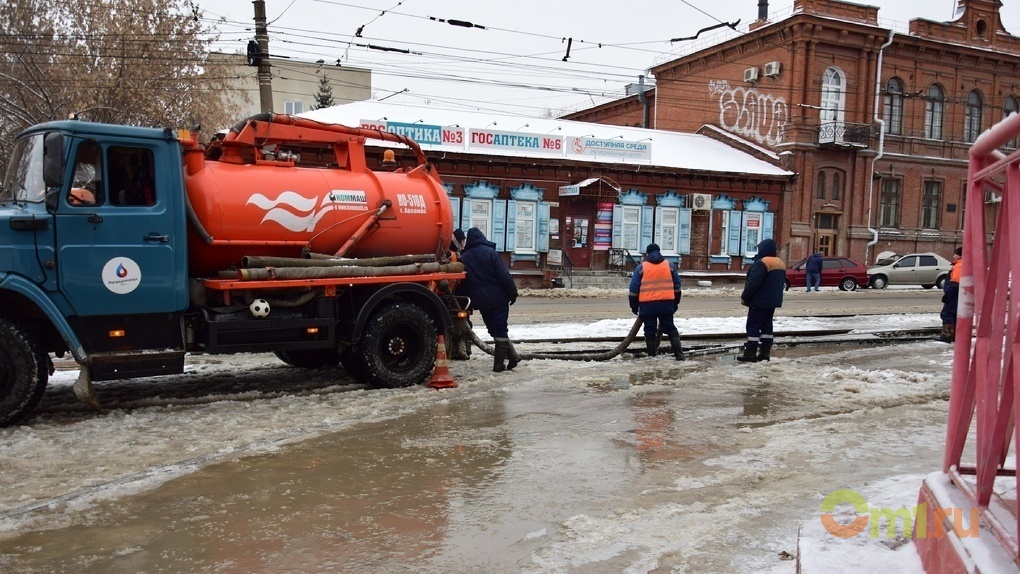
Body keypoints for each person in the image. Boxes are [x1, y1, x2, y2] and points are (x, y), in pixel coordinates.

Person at [459, 227, 520, 372]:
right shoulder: (491, 253)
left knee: (493, 329)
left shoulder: (465, 257)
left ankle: (512, 356)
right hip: (499, 299)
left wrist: (465, 304)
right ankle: (499, 364)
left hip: (482, 302)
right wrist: (513, 294)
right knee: (499, 329)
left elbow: (463, 283)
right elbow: (504, 275)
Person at [628, 243, 684, 360]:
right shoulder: (670, 266)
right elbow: (677, 287)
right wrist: (675, 303)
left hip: (648, 305)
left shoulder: (641, 268)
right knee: (670, 328)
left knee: (650, 331)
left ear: (647, 254)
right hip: (667, 304)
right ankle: (679, 355)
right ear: (659, 252)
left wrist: (634, 307)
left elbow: (634, 289)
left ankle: (652, 356)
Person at [738, 238, 786, 362]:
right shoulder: (780, 262)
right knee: (767, 327)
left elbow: (753, 283)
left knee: (753, 326)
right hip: (773, 302)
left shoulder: (762, 263)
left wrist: (745, 297)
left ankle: (750, 353)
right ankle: (765, 353)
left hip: (759, 301)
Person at [940, 246, 963, 343]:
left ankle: (947, 336)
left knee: (947, 314)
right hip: (958, 294)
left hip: (954, 294)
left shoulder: (959, 265)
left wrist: (948, 294)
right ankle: (955, 336)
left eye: (956, 254)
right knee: (954, 315)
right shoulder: (962, 264)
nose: (954, 256)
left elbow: (955, 282)